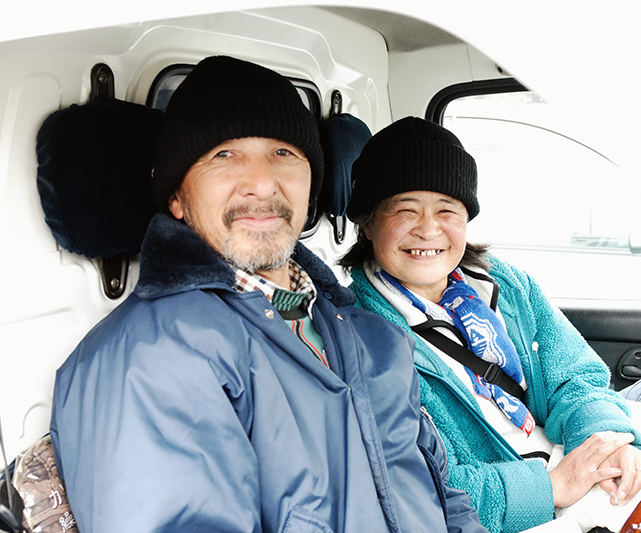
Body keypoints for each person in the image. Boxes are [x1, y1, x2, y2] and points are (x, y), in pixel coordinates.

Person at [49, 57, 487, 533]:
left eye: (283, 152)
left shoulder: (373, 338)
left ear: (311, 185)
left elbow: (446, 501)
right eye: (223, 154)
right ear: (176, 196)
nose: (261, 182)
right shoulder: (151, 354)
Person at [340, 117, 641, 533]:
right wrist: (553, 487)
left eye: (447, 210)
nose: (428, 229)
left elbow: (573, 377)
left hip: (559, 446)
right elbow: (414, 489)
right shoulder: (359, 335)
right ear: (367, 223)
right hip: (519, 499)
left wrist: (605, 440)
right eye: (405, 210)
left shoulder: (505, 283)